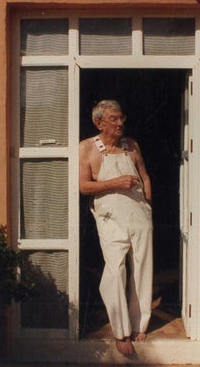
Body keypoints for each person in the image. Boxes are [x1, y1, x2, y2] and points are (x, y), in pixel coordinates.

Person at [79, 99, 153, 356]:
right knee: (115, 269)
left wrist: (148, 207)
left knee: (142, 267)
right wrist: (116, 182)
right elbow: (84, 187)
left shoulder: (130, 145)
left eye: (122, 117)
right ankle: (121, 330)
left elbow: (144, 175)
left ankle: (138, 323)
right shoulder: (87, 148)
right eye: (114, 119)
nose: (120, 123)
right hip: (111, 216)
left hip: (139, 213)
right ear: (99, 122)